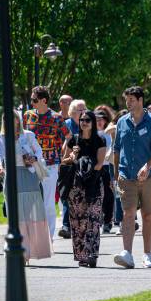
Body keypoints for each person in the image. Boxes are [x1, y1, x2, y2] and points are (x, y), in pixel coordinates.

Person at [113, 86, 151, 269]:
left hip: (149, 176)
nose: (128, 103)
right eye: (126, 100)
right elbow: (117, 149)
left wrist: (147, 166)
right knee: (128, 214)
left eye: (131, 100)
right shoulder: (121, 122)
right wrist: (115, 175)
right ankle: (127, 253)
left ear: (140, 100)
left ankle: (147, 254)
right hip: (126, 175)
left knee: (148, 215)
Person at [0, 110, 52, 264]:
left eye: (13, 119)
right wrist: (0, 167)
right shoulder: (1, 137)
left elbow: (39, 151)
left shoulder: (28, 135)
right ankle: (20, 251)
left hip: (30, 176)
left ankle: (29, 251)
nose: (10, 122)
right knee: (16, 216)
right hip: (12, 177)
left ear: (18, 120)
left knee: (30, 216)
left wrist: (33, 158)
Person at [23, 86, 72, 241]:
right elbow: (22, 137)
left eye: (34, 100)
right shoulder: (27, 116)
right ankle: (32, 236)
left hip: (50, 164)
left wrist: (62, 156)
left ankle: (48, 237)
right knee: (30, 200)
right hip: (30, 164)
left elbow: (69, 137)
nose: (32, 103)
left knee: (49, 202)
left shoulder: (57, 118)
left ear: (44, 100)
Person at [62, 111, 106, 267]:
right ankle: (82, 256)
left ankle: (92, 255)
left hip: (93, 182)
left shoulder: (99, 140)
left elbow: (100, 162)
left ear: (93, 122)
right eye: (81, 120)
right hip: (76, 185)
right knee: (78, 221)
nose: (84, 122)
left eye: (87, 120)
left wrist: (86, 169)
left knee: (93, 220)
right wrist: (73, 157)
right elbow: (64, 160)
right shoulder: (73, 140)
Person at [59, 98, 87, 238]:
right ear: (72, 112)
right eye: (79, 110)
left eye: (84, 109)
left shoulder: (88, 124)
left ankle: (80, 224)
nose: (83, 113)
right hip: (69, 164)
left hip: (84, 165)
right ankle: (66, 225)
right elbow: (61, 145)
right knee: (67, 194)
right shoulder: (66, 125)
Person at [106, 109, 128, 229]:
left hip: (129, 162)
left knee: (128, 193)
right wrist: (120, 124)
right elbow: (106, 130)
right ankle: (120, 221)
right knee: (119, 193)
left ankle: (128, 219)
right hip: (114, 163)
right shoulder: (114, 125)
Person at [95, 110, 114, 234]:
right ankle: (97, 220)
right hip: (95, 167)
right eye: (97, 119)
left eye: (102, 119)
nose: (99, 121)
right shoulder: (90, 134)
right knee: (95, 195)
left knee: (108, 194)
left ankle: (107, 221)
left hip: (107, 167)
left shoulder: (108, 134)